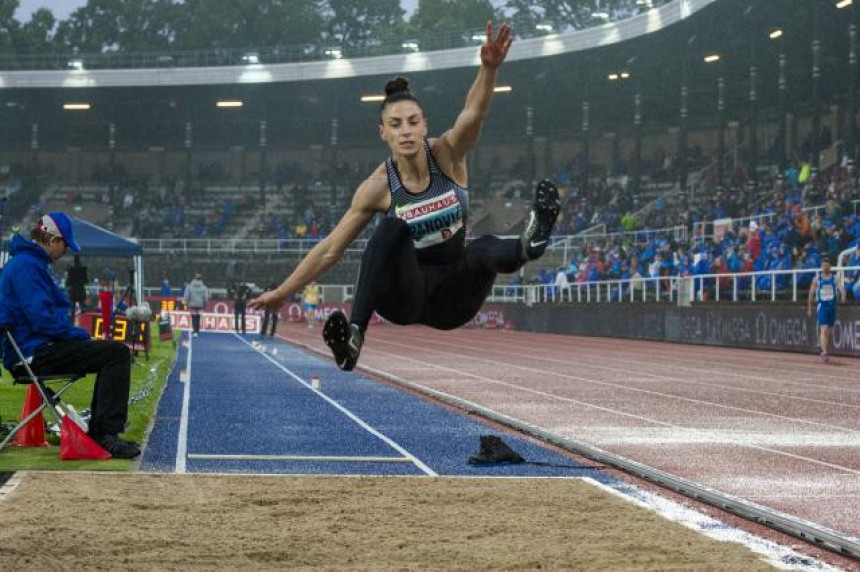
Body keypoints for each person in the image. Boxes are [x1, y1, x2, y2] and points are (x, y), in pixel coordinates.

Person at [250, 22, 560, 371]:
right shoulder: (378, 187)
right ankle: (353, 338)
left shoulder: (448, 156)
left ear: (425, 125)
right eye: (396, 125)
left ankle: (527, 246)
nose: (406, 131)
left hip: (453, 300)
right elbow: (330, 248)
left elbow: (473, 114)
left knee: (482, 246)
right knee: (392, 228)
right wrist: (281, 293)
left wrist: (489, 70)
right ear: (383, 132)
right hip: (405, 296)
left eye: (413, 122)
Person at [0, 213, 139, 458]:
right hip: (33, 353)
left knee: (110, 352)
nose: (65, 252)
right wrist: (79, 335)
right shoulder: (26, 267)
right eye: (65, 245)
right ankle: (105, 435)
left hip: (32, 349)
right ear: (52, 240)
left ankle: (103, 432)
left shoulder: (25, 263)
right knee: (117, 353)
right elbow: (42, 319)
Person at [807, 257, 845, 363]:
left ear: (830, 267)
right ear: (821, 267)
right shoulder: (817, 279)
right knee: (823, 329)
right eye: (823, 265)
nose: (825, 267)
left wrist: (843, 295)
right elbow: (811, 294)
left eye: (827, 265)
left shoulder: (835, 278)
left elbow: (840, 288)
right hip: (822, 306)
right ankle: (824, 352)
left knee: (829, 332)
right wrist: (810, 308)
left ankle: (825, 350)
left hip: (832, 306)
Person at [183, 273, 209, 337]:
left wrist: (186, 303)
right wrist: (205, 304)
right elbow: (206, 297)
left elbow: (186, 296)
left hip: (192, 304)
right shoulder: (204, 288)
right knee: (198, 318)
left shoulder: (189, 286)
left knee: (194, 318)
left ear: (194, 279)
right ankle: (197, 331)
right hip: (200, 305)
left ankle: (195, 331)